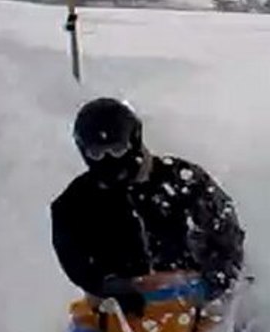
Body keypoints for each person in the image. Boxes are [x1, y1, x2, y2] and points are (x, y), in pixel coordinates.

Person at [51, 98, 245, 317]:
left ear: (133, 140)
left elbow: (226, 234)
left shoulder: (185, 182)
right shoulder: (74, 203)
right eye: (97, 153)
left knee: (247, 314)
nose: (109, 160)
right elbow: (73, 258)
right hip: (123, 315)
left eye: (117, 149)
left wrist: (211, 280)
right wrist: (108, 285)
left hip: (202, 305)